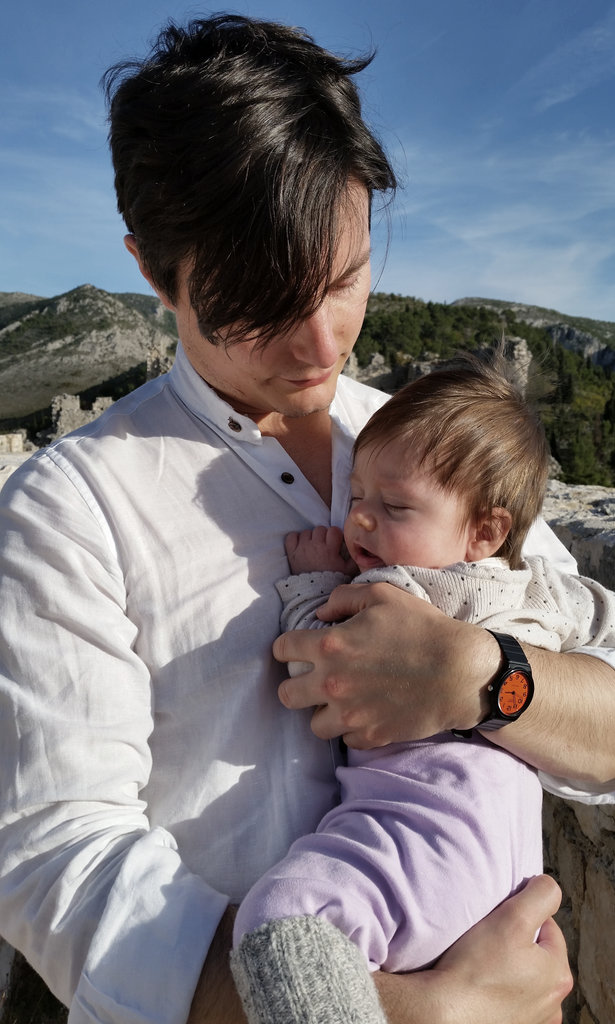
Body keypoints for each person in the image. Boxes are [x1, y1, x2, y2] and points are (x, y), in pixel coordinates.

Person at [0, 12, 606, 1024]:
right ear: (154, 270)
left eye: (345, 278)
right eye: (264, 305)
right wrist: (419, 1012)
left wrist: (482, 676)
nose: (322, 345)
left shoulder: (434, 451)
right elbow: (59, 862)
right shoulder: (71, 510)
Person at [231, 355, 615, 1024]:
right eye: (355, 499)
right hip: (508, 877)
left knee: (285, 918)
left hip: (415, 837)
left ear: (485, 531)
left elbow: (318, 673)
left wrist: (309, 585)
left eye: (393, 507)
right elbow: (598, 624)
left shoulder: (387, 596)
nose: (360, 523)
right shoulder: (541, 592)